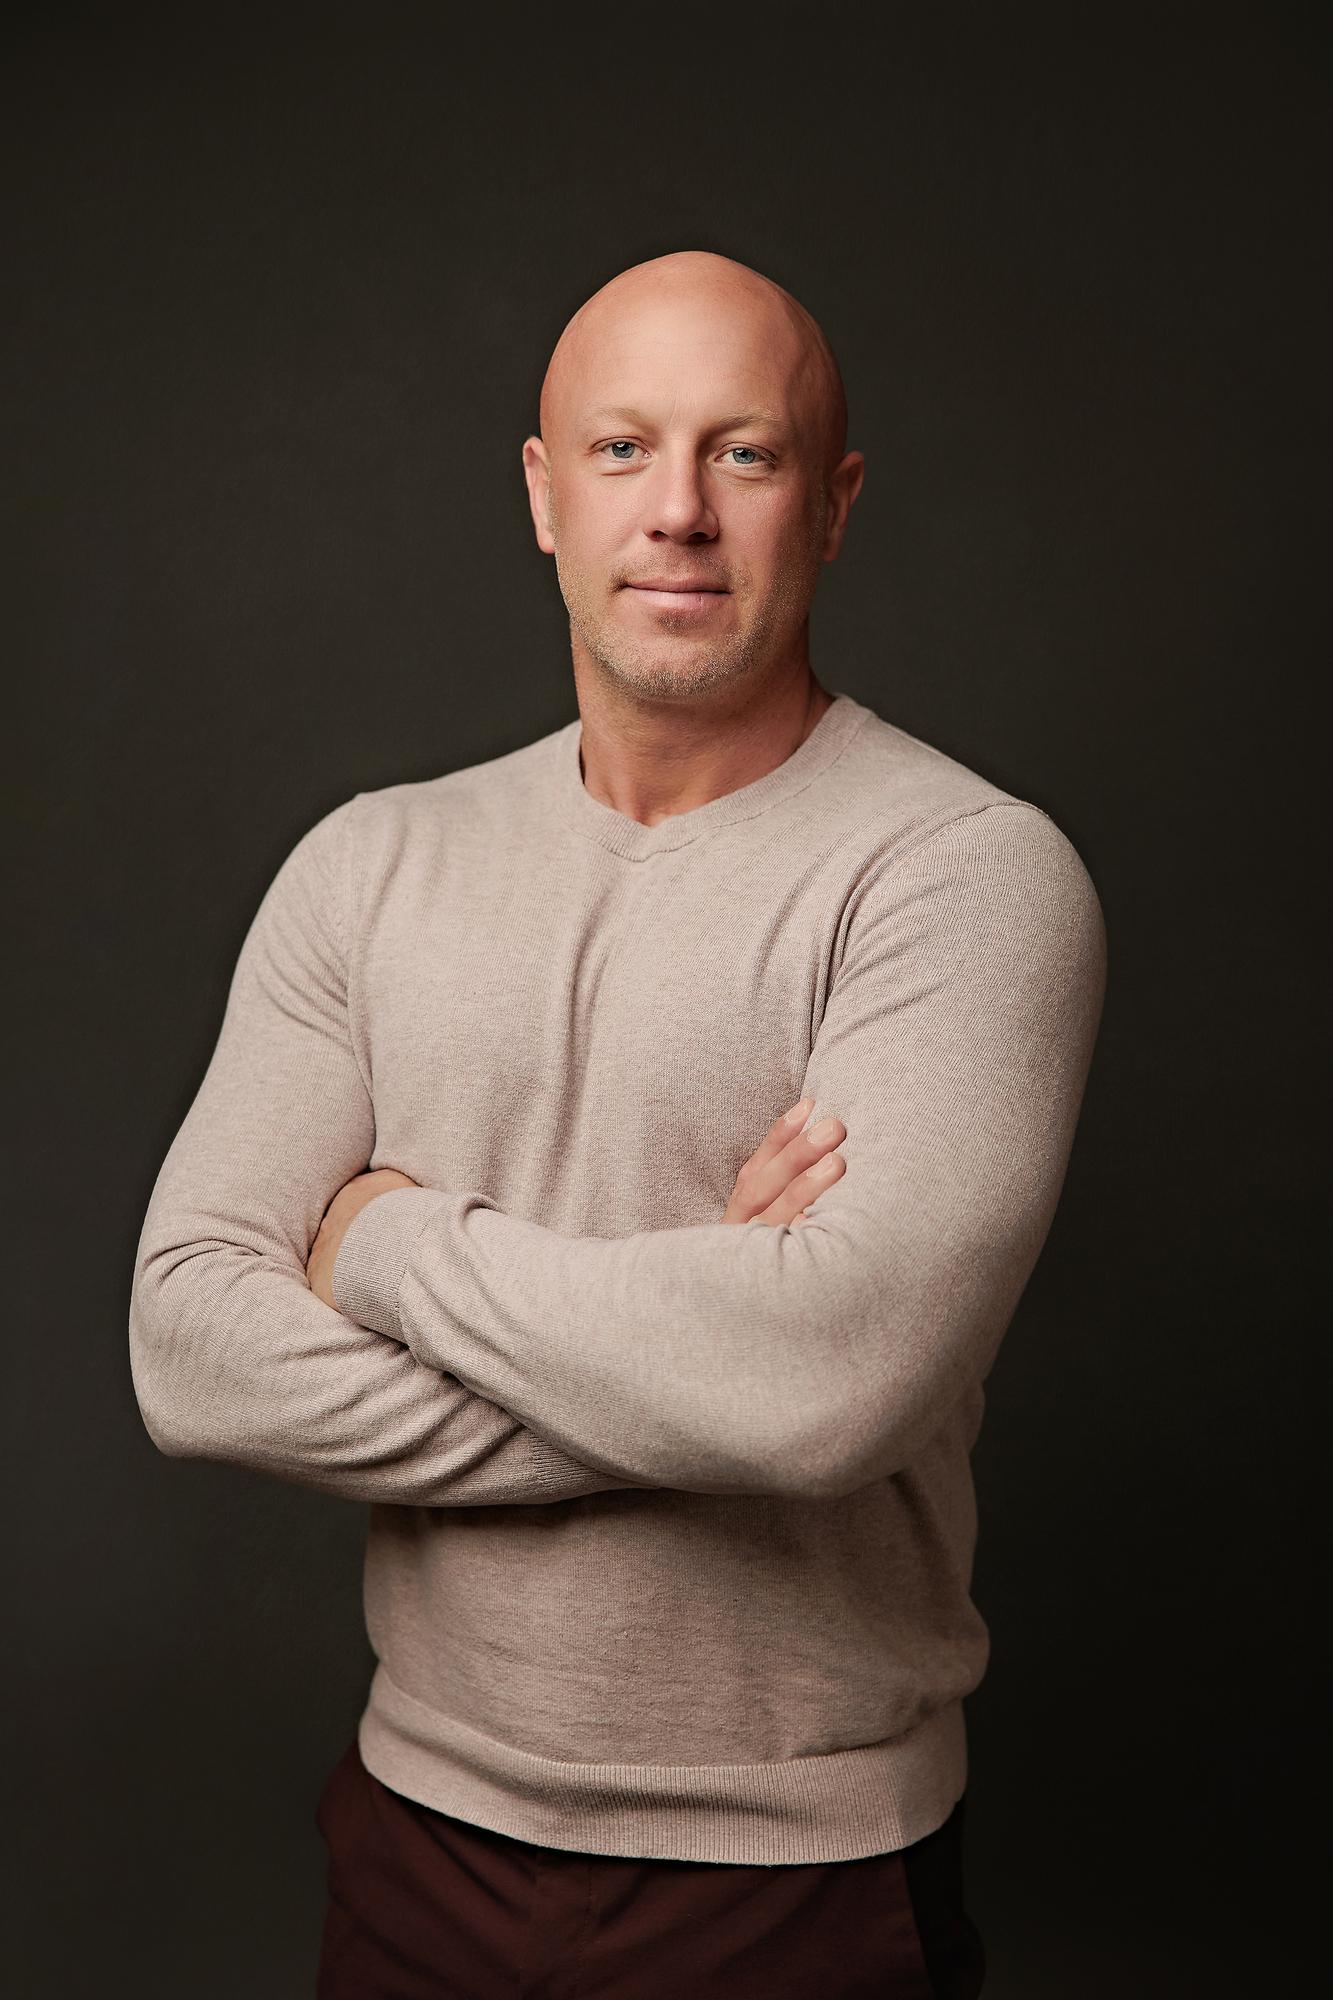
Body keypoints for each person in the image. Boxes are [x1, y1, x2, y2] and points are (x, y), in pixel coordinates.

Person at [129, 248, 1107, 1997]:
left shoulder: (962, 875)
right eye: (620, 452)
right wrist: (703, 1343)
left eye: (742, 455)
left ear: (834, 502)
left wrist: (381, 1241)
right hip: (412, 1844)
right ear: (540, 496)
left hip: (798, 1884)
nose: (676, 512)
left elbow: (827, 1385)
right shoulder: (372, 863)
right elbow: (190, 1346)